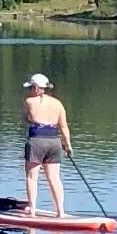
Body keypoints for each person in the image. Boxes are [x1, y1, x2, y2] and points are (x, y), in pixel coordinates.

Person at [19, 70, 75, 219]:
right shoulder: (58, 103)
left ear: (37, 87)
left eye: (31, 88)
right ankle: (60, 211)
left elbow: (24, 118)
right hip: (54, 141)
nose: (29, 91)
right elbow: (63, 127)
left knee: (32, 177)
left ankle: (32, 210)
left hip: (37, 140)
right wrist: (67, 146)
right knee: (54, 178)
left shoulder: (29, 102)